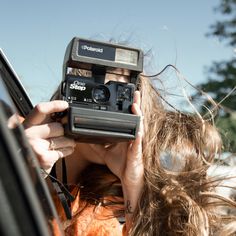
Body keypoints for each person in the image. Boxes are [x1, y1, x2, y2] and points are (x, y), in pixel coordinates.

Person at [23, 45, 236, 235]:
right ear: (68, 92)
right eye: (99, 93)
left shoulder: (106, 211)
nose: (107, 111)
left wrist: (132, 186)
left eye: (120, 101)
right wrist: (18, 165)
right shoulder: (17, 132)